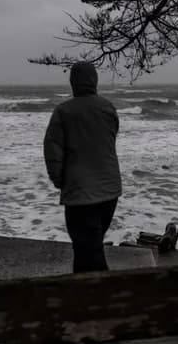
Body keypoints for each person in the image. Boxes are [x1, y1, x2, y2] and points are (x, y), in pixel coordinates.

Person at [43, 61, 122, 273]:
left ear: (73, 82)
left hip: (80, 193)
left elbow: (52, 150)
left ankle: (99, 295)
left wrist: (58, 180)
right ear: (94, 80)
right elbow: (111, 138)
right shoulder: (108, 108)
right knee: (90, 247)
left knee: (87, 250)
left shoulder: (63, 112)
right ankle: (88, 294)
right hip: (110, 191)